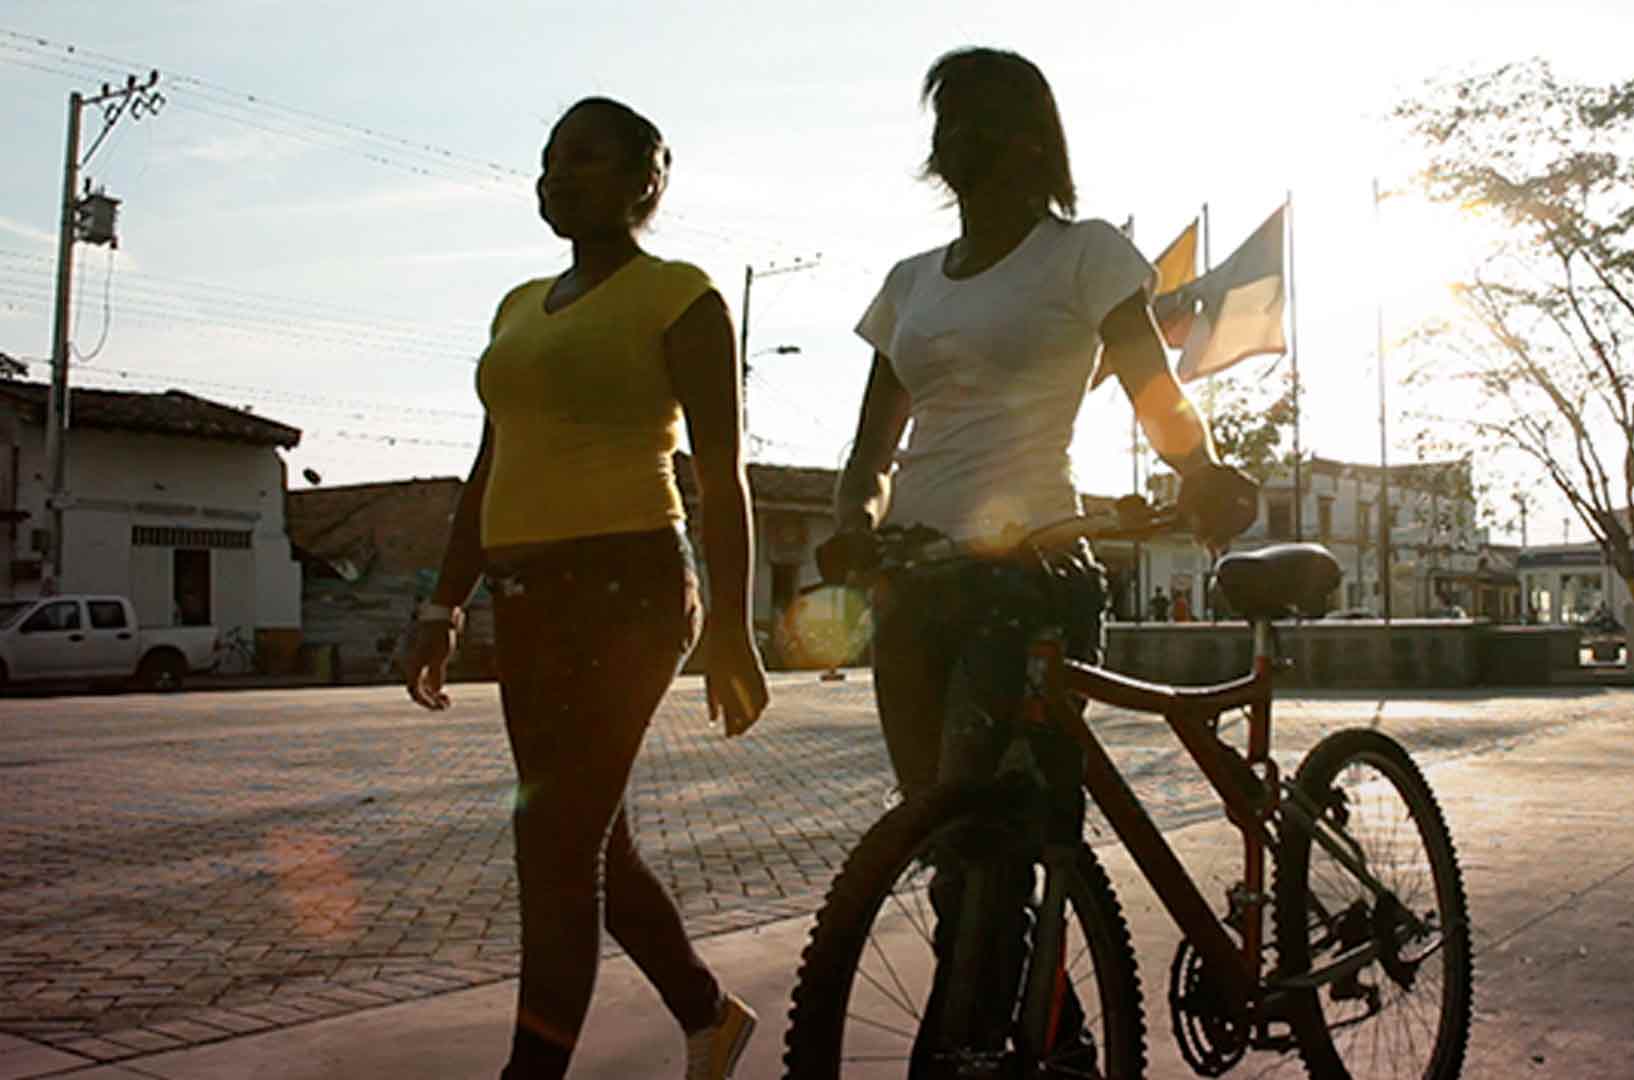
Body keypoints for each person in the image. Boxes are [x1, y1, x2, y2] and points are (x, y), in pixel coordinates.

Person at [823, 46, 1257, 1067]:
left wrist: (1202, 474)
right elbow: (869, 450)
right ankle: (1049, 1043)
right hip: (917, 580)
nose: (954, 142)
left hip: (1028, 581)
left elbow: (1157, 393)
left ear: (1031, 139)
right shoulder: (909, 285)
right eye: (944, 123)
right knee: (939, 841)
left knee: (992, 850)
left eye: (977, 119)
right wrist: (855, 522)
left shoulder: (1085, 255)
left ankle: (966, 1048)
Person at [402, 97, 769, 1080]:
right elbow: (488, 467)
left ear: (651, 178)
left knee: (551, 840)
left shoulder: (680, 295)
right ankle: (707, 1013)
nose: (559, 176)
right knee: (586, 839)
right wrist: (441, 604)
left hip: (632, 588)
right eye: (549, 160)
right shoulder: (518, 308)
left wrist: (733, 632)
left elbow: (719, 473)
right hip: (525, 598)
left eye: (589, 159)